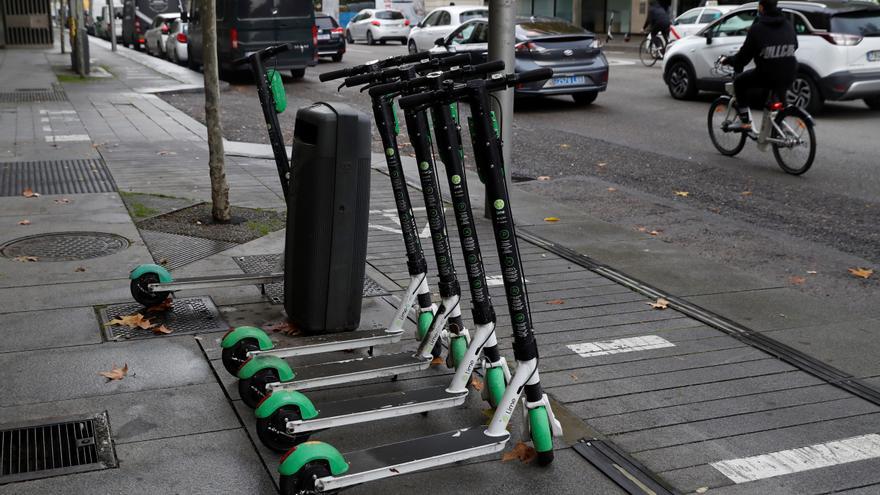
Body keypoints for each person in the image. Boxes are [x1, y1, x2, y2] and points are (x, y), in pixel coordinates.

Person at [720, 0, 798, 130]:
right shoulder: (787, 24)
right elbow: (795, 45)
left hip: (767, 74)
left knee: (739, 83)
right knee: (778, 96)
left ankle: (744, 122)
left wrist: (728, 60)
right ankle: (780, 124)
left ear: (761, 8)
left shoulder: (757, 28)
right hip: (790, 72)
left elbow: (743, 58)